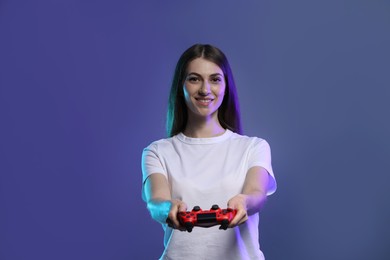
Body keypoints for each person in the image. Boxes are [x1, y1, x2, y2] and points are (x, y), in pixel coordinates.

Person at [141, 43, 277, 259]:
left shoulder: (254, 147)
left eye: (215, 79)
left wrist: (244, 202)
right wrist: (168, 209)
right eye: (194, 79)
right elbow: (155, 201)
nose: (205, 89)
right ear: (181, 86)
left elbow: (257, 194)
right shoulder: (157, 152)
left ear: (226, 86)